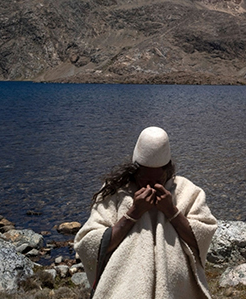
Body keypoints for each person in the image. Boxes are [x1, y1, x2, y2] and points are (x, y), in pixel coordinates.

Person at [75, 126, 218, 299]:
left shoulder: (187, 192)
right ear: (135, 171)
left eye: (157, 180)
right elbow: (89, 242)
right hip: (127, 286)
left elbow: (201, 238)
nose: (150, 186)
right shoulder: (115, 193)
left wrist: (171, 211)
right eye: (144, 179)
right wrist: (134, 213)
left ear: (168, 171)